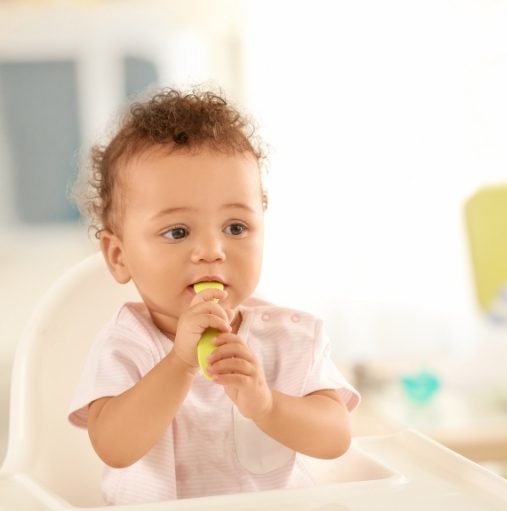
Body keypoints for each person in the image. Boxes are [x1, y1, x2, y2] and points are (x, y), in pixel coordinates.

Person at [68, 87, 360, 505]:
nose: (212, 250)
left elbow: (336, 438)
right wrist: (179, 363)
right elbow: (113, 446)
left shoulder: (291, 337)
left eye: (236, 228)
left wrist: (266, 406)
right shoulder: (127, 343)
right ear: (119, 256)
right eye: (178, 232)